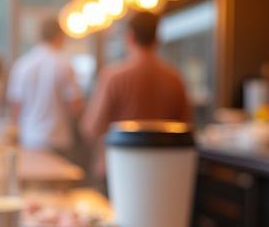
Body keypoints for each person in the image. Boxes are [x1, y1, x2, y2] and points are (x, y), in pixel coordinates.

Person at [81, 10, 191, 174]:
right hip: (162, 172)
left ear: (129, 37)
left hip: (117, 171)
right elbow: (186, 128)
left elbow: (91, 128)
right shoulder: (175, 79)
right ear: (157, 39)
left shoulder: (113, 77)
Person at [7, 19, 82, 155]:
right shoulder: (64, 64)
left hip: (30, 138)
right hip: (58, 138)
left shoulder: (23, 64)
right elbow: (74, 106)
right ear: (59, 35)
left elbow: (16, 106)